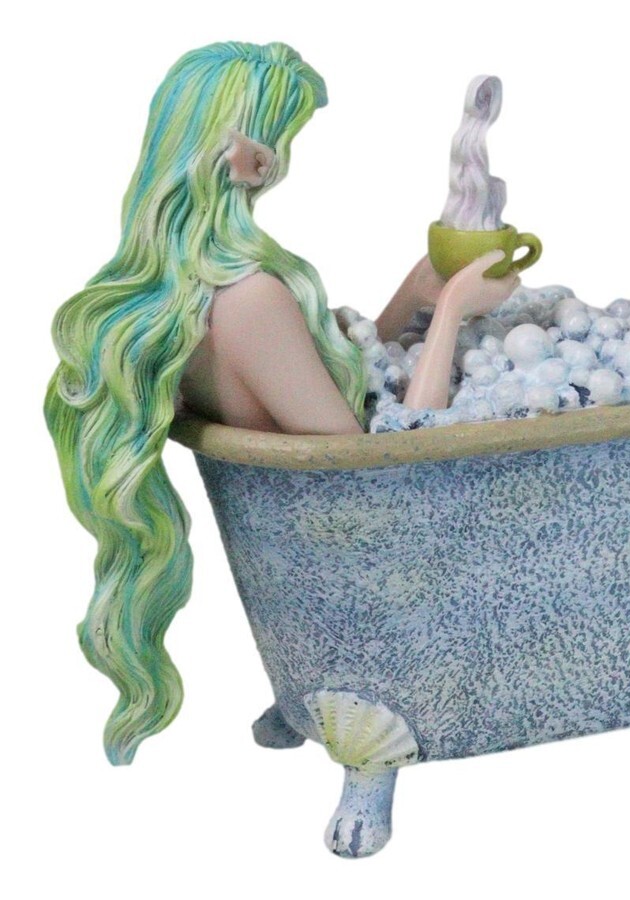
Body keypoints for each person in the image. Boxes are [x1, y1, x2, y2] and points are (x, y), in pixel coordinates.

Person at [44, 41, 517, 765]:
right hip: (369, 556)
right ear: (245, 156)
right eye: (282, 139)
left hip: (301, 568)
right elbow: (372, 456)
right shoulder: (250, 298)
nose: (284, 159)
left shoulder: (173, 296)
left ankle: (305, 687)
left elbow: (305, 385)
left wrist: (411, 298)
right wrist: (452, 308)